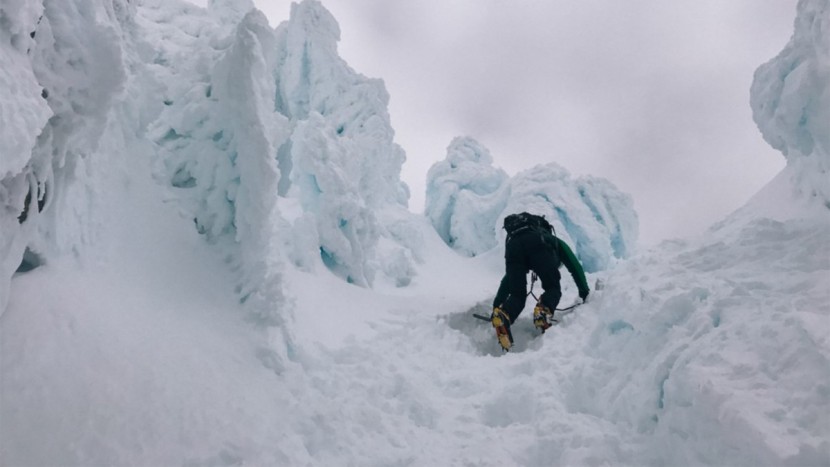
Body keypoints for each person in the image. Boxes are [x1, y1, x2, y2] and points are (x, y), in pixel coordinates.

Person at [491, 212, 590, 351]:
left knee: (517, 296)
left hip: (512, 248)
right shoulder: (549, 239)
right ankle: (543, 309)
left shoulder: (515, 238)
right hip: (537, 246)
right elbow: (574, 266)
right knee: (552, 288)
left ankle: (504, 314)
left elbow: (509, 279)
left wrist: (497, 305)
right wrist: (584, 292)